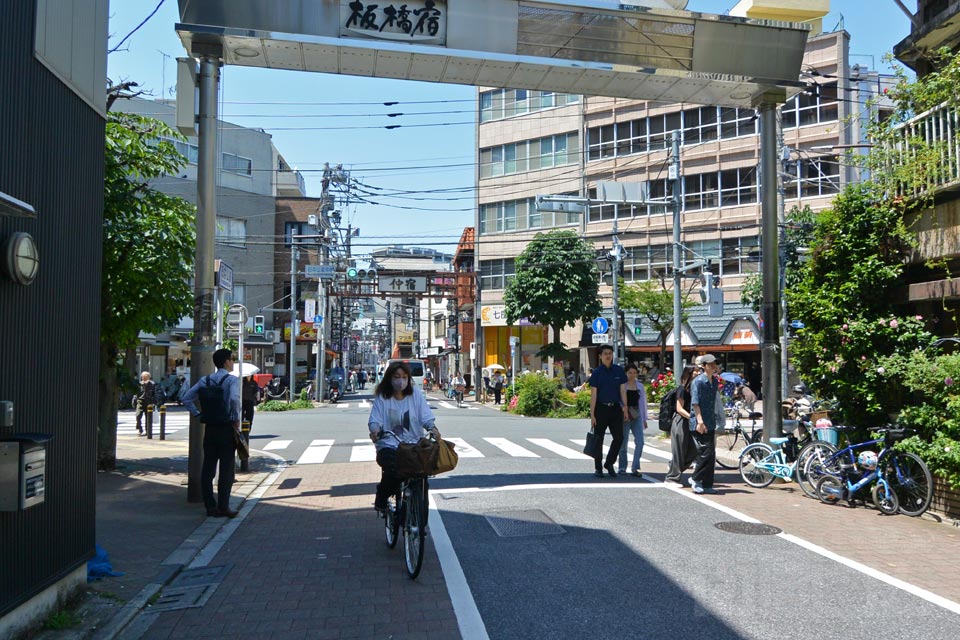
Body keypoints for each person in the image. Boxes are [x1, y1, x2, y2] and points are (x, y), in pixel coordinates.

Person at [368, 361, 437, 513]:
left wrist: (432, 428)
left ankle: (419, 511)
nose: (401, 381)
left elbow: (425, 415)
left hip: (414, 444)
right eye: (397, 377)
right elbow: (375, 420)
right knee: (394, 471)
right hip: (389, 444)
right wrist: (375, 431)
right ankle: (382, 496)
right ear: (389, 379)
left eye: (404, 377)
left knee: (423, 472)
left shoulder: (415, 395)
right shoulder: (383, 398)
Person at [182, 349, 242, 518]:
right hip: (226, 427)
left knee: (208, 468)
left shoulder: (205, 380)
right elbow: (234, 399)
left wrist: (198, 414)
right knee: (226, 468)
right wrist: (236, 418)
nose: (233, 362)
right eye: (232, 359)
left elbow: (186, 398)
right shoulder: (231, 380)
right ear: (226, 362)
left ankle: (210, 507)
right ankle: (224, 506)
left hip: (210, 427)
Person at [588, 344, 629, 478]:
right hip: (601, 408)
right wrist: (592, 414)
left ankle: (609, 462)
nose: (608, 356)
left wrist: (626, 408)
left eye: (610, 353)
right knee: (598, 438)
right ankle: (598, 468)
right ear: (600, 356)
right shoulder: (597, 373)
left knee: (619, 438)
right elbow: (593, 394)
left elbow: (623, 390)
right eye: (605, 353)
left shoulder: (618, 371)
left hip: (616, 408)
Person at [689, 353, 721, 495]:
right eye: (710, 364)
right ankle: (695, 479)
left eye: (715, 364)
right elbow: (695, 403)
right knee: (705, 453)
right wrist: (699, 421)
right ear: (703, 366)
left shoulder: (714, 382)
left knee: (711, 454)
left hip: (710, 421)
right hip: (699, 421)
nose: (714, 366)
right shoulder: (698, 381)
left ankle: (707, 484)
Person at [665, 365, 698, 484]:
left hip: (691, 421)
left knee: (694, 449)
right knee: (679, 450)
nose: (698, 373)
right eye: (696, 371)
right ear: (688, 374)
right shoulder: (682, 389)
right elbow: (679, 409)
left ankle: (674, 467)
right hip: (681, 421)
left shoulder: (695, 388)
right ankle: (672, 478)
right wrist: (692, 417)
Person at [618, 363, 648, 476]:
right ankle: (622, 467)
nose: (632, 375)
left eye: (634, 372)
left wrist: (645, 418)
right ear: (626, 373)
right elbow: (619, 400)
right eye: (630, 372)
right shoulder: (622, 385)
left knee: (640, 442)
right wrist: (623, 409)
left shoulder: (640, 386)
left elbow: (643, 403)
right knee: (623, 443)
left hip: (637, 415)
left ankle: (635, 467)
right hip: (625, 415)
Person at [135, 371, 158, 436]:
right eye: (142, 377)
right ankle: (140, 429)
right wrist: (134, 401)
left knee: (148, 417)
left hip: (149, 402)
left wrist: (155, 402)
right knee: (138, 416)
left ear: (148, 377)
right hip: (140, 402)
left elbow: (154, 394)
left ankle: (147, 430)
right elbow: (136, 393)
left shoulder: (152, 384)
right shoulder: (139, 384)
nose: (143, 378)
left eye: (145, 377)